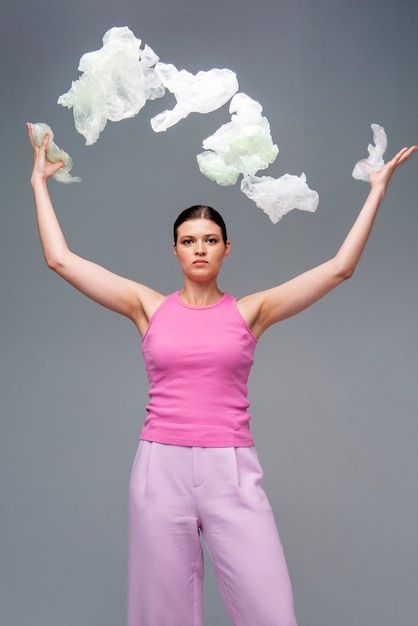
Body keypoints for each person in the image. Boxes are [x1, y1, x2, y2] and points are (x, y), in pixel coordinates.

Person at [27, 122, 416, 626]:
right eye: (189, 240)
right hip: (158, 471)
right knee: (159, 617)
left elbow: (340, 267)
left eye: (211, 239)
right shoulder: (146, 307)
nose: (200, 249)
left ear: (227, 248)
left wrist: (377, 191)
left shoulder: (251, 311)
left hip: (231, 472)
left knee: (271, 612)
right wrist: (38, 183)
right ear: (175, 250)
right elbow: (60, 260)